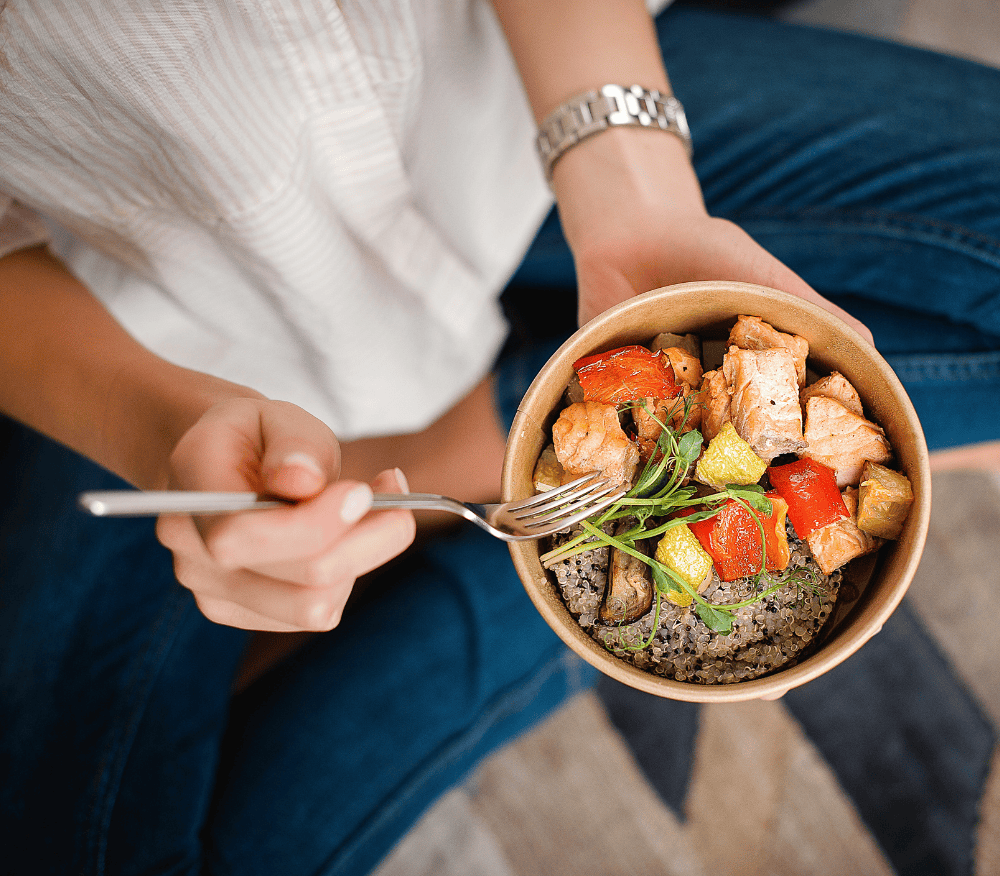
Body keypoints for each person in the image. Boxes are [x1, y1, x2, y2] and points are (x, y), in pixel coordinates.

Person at [1, 1, 997, 874]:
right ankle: (531, 557)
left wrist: (634, 193)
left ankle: (483, 479)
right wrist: (163, 427)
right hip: (160, 323)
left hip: (526, 116)